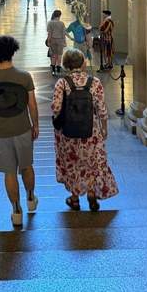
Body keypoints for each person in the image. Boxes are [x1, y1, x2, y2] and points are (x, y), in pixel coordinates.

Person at [0, 36, 40, 226]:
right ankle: (31, 197)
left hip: (1, 132)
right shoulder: (24, 77)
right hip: (23, 128)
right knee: (26, 166)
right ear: (13, 52)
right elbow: (32, 105)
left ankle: (16, 210)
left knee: (9, 172)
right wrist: (35, 124)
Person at [51, 48, 118, 211]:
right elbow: (102, 109)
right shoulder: (94, 82)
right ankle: (92, 196)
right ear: (82, 63)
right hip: (91, 132)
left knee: (73, 164)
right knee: (92, 163)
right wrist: (104, 129)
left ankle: (74, 199)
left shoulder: (62, 83)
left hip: (68, 133)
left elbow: (56, 108)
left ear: (66, 64)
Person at [47, 9, 67, 75]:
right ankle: (58, 70)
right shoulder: (62, 23)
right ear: (59, 15)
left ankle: (53, 71)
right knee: (59, 55)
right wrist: (64, 42)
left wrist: (48, 41)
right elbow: (63, 34)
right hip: (60, 40)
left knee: (53, 55)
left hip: (52, 40)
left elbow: (49, 33)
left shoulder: (50, 23)